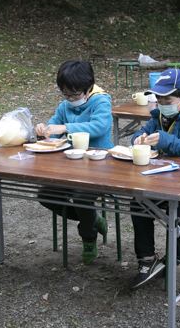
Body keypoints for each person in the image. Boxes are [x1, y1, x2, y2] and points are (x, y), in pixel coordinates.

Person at [130, 68, 180, 289]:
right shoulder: (158, 115)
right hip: (160, 179)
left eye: (167, 99)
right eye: (158, 99)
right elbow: (140, 133)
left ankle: (177, 254)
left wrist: (166, 141)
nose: (161, 103)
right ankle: (147, 259)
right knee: (138, 201)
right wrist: (139, 139)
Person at [35, 60, 113, 264]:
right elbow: (54, 126)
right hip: (68, 164)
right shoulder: (65, 105)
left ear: (88, 89)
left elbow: (99, 126)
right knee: (46, 194)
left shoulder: (101, 101)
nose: (70, 98)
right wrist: (45, 131)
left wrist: (65, 128)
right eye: (65, 94)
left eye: (74, 94)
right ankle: (93, 220)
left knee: (81, 197)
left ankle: (88, 237)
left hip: (98, 163)